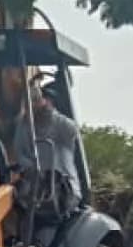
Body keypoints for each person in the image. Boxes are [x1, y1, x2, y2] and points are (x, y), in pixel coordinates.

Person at [15, 78, 82, 215]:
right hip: (33, 191)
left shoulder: (61, 125)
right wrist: (31, 169)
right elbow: (20, 154)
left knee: (44, 231)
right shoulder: (24, 125)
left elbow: (72, 131)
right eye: (30, 103)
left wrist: (48, 112)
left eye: (39, 100)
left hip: (62, 191)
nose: (33, 105)